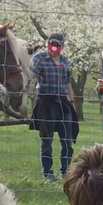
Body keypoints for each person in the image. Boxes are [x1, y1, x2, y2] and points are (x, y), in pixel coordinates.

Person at [30, 32, 76, 181]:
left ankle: (66, 172)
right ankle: (48, 173)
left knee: (67, 140)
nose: (54, 49)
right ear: (47, 44)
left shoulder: (64, 60)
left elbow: (68, 81)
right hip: (46, 101)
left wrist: (72, 101)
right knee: (47, 139)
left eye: (57, 45)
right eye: (52, 44)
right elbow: (31, 75)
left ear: (62, 47)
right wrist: (25, 88)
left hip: (63, 102)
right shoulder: (39, 58)